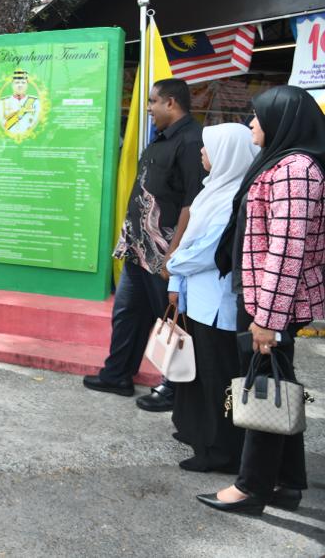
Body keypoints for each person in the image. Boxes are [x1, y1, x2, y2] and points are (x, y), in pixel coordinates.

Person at [198, 86, 325, 515]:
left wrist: (266, 318)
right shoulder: (282, 162)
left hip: (271, 302)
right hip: (264, 296)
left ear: (282, 121)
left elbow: (287, 250)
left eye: (258, 116)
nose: (252, 123)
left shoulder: (296, 169)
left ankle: (251, 487)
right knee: (277, 385)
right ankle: (287, 483)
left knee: (262, 389)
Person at [83, 78, 205, 411]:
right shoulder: (161, 139)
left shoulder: (192, 142)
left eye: (152, 102)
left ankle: (174, 389)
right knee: (127, 315)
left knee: (171, 322)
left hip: (164, 255)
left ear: (171, 103)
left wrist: (174, 255)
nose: (148, 108)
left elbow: (190, 205)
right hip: (139, 251)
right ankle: (118, 374)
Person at [166, 123, 258, 474]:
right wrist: (176, 274)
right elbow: (189, 238)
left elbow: (208, 251)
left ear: (226, 154)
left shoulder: (235, 197)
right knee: (197, 375)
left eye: (207, 148)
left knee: (219, 379)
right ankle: (196, 432)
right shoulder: (211, 188)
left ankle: (220, 452)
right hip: (196, 301)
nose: (201, 153)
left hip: (217, 307)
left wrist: (172, 262)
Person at [0, 69, 39, 136]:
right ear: (12, 84)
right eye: (17, 82)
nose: (20, 85)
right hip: (8, 139)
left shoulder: (36, 102)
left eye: (23, 82)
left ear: (27, 85)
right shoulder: (2, 102)